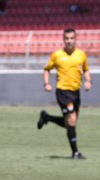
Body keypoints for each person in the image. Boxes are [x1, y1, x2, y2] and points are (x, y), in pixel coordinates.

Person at [37, 28, 91, 159]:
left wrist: (88, 81)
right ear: (63, 39)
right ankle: (75, 153)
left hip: (76, 92)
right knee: (71, 120)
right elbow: (46, 70)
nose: (69, 41)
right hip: (63, 92)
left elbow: (86, 69)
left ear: (75, 39)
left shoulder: (81, 55)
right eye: (67, 38)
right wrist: (47, 83)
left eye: (72, 38)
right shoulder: (57, 55)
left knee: (70, 123)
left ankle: (47, 117)